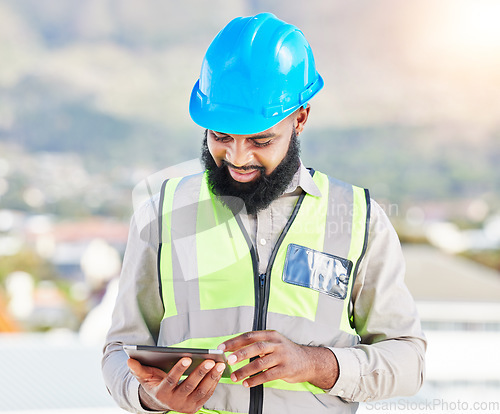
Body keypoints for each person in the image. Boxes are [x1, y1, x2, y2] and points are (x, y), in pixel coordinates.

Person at [102, 12, 426, 414]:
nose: (237, 158)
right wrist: (149, 397)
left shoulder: (360, 219)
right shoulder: (161, 215)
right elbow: (118, 352)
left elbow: (409, 362)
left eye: (260, 139)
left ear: (301, 118)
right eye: (221, 136)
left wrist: (314, 363)